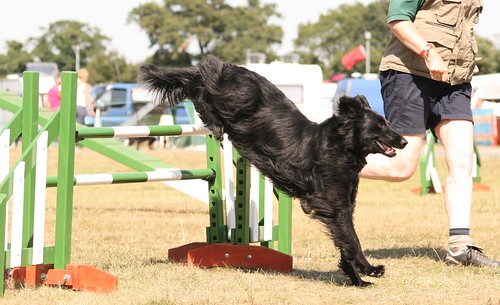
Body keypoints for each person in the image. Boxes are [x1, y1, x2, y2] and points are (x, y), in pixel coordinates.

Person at [360, 0, 499, 267]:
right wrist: (429, 53)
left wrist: (464, 58)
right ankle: (323, 161)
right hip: (408, 75)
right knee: (400, 167)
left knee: (462, 162)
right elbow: (398, 19)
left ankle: (460, 248)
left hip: (454, 82)